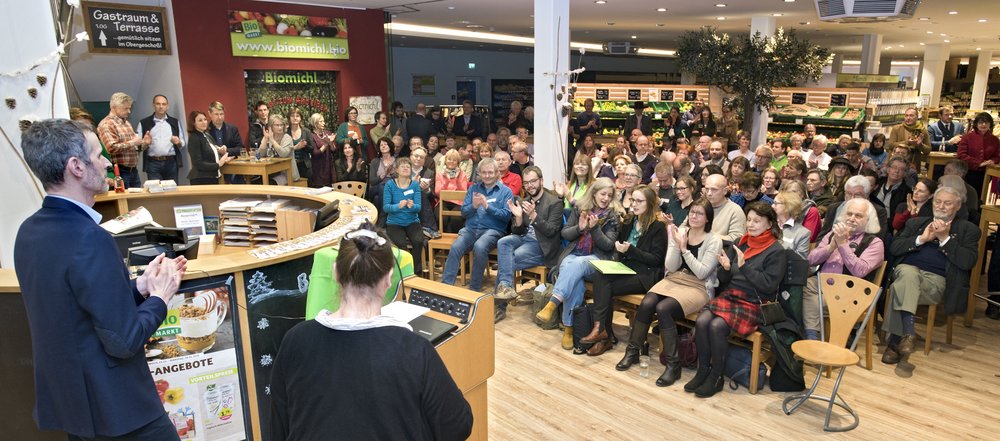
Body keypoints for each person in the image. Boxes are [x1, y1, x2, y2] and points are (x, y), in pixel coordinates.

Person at [15, 118, 186, 440]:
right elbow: (124, 340)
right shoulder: (89, 238)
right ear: (76, 166)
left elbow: (75, 306)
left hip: (75, 407)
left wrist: (139, 287)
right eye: (98, 155)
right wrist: (160, 296)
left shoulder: (29, 232)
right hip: (119, 410)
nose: (107, 162)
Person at [269, 225, 472, 440]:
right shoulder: (414, 349)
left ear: (336, 272)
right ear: (389, 278)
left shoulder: (295, 340)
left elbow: (278, 428)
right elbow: (457, 426)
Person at [685, 202, 786, 398]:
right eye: (749, 220)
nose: (751, 224)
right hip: (731, 296)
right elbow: (724, 280)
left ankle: (716, 377)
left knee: (716, 326)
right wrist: (724, 268)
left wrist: (744, 266)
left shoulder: (776, 250)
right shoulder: (741, 241)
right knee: (702, 320)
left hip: (754, 302)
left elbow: (768, 286)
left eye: (757, 221)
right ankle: (703, 370)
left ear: (769, 223)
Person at [882, 186, 979, 364]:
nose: (941, 206)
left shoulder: (968, 230)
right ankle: (908, 334)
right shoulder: (916, 223)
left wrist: (945, 239)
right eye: (938, 202)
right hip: (908, 272)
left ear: (957, 206)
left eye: (947, 203)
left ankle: (896, 341)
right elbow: (894, 248)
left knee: (900, 285)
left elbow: (968, 262)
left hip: (936, 283)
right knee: (908, 273)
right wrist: (922, 239)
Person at [635, 198, 720, 386]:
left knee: (664, 308)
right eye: (692, 212)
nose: (694, 216)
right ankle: (633, 352)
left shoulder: (714, 240)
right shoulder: (680, 231)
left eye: (699, 213)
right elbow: (670, 266)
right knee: (648, 302)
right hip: (675, 278)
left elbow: (702, 273)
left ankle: (674, 366)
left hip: (698, 286)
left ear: (708, 218)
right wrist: (675, 243)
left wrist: (684, 248)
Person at [579, 185, 667, 357]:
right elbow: (619, 246)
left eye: (639, 201)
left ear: (649, 203)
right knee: (601, 275)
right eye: (632, 200)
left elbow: (656, 260)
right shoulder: (628, 221)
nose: (634, 204)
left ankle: (604, 334)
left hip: (645, 274)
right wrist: (619, 250)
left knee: (605, 286)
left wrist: (630, 250)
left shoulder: (658, 227)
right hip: (626, 268)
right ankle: (602, 331)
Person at [537, 178, 623, 349]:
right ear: (594, 193)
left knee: (577, 264)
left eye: (609, 195)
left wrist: (594, 228)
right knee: (574, 275)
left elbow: (607, 245)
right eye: (602, 194)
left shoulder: (614, 216)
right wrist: (580, 228)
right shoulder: (580, 208)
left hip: (598, 260)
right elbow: (565, 234)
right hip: (574, 254)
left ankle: (553, 303)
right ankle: (569, 329)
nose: (606, 198)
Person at [804, 198, 884, 340]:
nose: (852, 218)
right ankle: (809, 337)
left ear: (868, 220)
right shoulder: (831, 235)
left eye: (858, 216)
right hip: (821, 285)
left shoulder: (875, 243)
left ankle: (812, 337)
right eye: (849, 214)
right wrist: (830, 248)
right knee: (797, 290)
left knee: (809, 302)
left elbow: (860, 271)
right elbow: (810, 260)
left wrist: (842, 245)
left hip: (850, 292)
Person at [494, 166, 564, 316]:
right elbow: (518, 231)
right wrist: (519, 218)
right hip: (525, 239)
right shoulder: (525, 201)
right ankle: (506, 288)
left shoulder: (555, 202)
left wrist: (534, 216)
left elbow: (552, 231)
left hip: (542, 246)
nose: (529, 185)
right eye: (526, 183)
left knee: (506, 261)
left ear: (541, 181)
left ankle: (499, 308)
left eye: (533, 181)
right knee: (503, 242)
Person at [441, 158, 513, 293]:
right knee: (456, 247)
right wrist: (473, 206)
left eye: (490, 172)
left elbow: (506, 216)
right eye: (484, 172)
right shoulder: (473, 188)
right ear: (479, 173)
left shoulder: (506, 192)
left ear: (497, 173)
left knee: (479, 247)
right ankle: (446, 286)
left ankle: (474, 289)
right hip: (471, 229)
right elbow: (464, 212)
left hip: (493, 231)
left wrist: (487, 206)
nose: (487, 176)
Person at [382, 157, 425, 276]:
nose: (406, 168)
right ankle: (405, 272)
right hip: (394, 222)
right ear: (396, 169)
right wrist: (398, 206)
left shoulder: (415, 185)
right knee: (401, 244)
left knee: (418, 241)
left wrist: (412, 206)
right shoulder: (390, 185)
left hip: (412, 221)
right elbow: (386, 207)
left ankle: (416, 272)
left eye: (408, 166)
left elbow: (418, 208)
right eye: (403, 166)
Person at [97, 92, 147, 188]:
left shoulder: (127, 123)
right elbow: (111, 148)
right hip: (119, 171)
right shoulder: (106, 124)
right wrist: (133, 142)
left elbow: (133, 147)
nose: (129, 111)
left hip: (133, 170)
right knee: (124, 200)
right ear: (114, 107)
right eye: (126, 108)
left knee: (137, 200)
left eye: (130, 108)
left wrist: (144, 143)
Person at [818, 175, 889, 240]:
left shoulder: (878, 211)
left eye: (857, 194)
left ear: (867, 195)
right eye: (849, 193)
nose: (852, 198)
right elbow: (822, 235)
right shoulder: (833, 208)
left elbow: (875, 239)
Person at [136, 94, 184, 182]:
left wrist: (178, 142)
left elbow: (182, 143)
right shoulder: (144, 123)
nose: (161, 107)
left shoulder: (174, 122)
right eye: (158, 104)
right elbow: (138, 147)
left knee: (172, 191)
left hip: (171, 163)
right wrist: (145, 143)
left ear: (167, 106)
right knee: (155, 191)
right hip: (153, 163)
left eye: (164, 104)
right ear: (153, 105)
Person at [957, 112, 1000, 193]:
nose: (983, 125)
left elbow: (997, 156)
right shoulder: (967, 137)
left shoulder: (995, 140)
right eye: (980, 122)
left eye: (986, 122)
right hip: (969, 172)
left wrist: (992, 161)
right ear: (976, 124)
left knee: (982, 196)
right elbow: (961, 155)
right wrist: (978, 163)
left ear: (990, 124)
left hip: (987, 173)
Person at [187, 110, 233, 185]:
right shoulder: (194, 138)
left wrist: (222, 156)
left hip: (212, 176)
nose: (204, 122)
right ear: (193, 123)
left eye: (205, 119)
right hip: (201, 179)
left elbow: (211, 154)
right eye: (200, 120)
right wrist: (218, 164)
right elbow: (198, 163)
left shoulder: (206, 135)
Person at [698, 174, 746, 242]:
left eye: (714, 189)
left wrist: (706, 237)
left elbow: (737, 239)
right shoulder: (699, 207)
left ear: (725, 191)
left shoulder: (735, 211)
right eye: (707, 189)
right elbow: (685, 227)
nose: (709, 193)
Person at [257, 114, 299, 185]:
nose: (280, 127)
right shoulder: (268, 137)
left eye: (281, 125)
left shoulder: (287, 138)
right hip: (271, 172)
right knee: (256, 182)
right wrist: (265, 140)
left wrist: (272, 141)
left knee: (271, 183)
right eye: (277, 125)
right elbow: (258, 156)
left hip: (286, 174)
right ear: (271, 127)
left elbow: (283, 154)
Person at [874, 156, 912, 232]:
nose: (897, 171)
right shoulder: (877, 183)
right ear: (888, 169)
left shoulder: (907, 192)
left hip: (888, 227)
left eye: (901, 169)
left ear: (905, 173)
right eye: (894, 167)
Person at [888, 107, 931, 171]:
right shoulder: (896, 129)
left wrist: (920, 145)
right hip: (897, 161)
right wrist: (908, 142)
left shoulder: (922, 130)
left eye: (911, 116)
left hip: (914, 163)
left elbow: (928, 149)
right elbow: (891, 145)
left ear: (917, 117)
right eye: (906, 115)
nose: (908, 118)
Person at [206, 101, 246, 171]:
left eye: (221, 114)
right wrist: (216, 150)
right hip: (213, 168)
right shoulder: (206, 131)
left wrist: (226, 150)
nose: (220, 117)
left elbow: (241, 149)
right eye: (216, 114)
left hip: (232, 167)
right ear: (210, 114)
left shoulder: (232, 129)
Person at [410, 147, 439, 238]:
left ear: (424, 160)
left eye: (421, 157)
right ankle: (429, 228)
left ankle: (426, 228)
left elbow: (432, 196)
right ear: (411, 156)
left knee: (421, 193)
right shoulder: (403, 170)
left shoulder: (429, 173)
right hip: (404, 199)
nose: (418, 159)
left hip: (422, 202)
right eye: (416, 156)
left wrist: (427, 189)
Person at [773, 190, 810, 257]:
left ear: (788, 206)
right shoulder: (768, 224)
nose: (772, 206)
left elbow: (800, 261)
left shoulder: (803, 233)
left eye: (776, 203)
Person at [309, 112, 338, 187]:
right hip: (318, 168)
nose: (324, 123)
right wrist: (327, 143)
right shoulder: (311, 136)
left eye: (324, 121)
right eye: (321, 121)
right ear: (315, 123)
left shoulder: (327, 133)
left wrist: (331, 142)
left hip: (329, 166)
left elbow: (333, 149)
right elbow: (315, 153)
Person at [288, 108, 314, 183]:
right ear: (289, 118)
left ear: (301, 118)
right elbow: (284, 150)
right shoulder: (285, 132)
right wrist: (296, 147)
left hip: (305, 165)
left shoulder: (306, 131)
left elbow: (312, 149)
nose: (295, 118)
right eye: (292, 116)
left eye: (297, 116)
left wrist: (304, 145)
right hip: (291, 165)